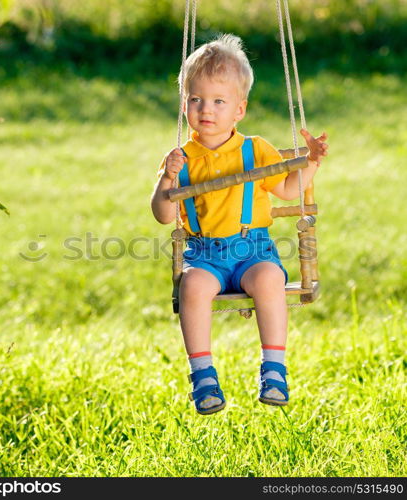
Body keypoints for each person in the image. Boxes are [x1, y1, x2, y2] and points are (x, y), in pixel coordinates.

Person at [150, 34, 328, 415]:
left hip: (253, 252)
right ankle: (202, 375)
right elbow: (165, 215)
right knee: (192, 287)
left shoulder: (255, 150)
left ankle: (274, 368)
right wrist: (167, 179)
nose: (205, 109)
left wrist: (311, 162)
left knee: (269, 280)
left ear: (239, 110)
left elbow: (287, 189)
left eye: (218, 101)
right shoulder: (181, 159)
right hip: (205, 255)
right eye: (196, 99)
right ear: (184, 105)